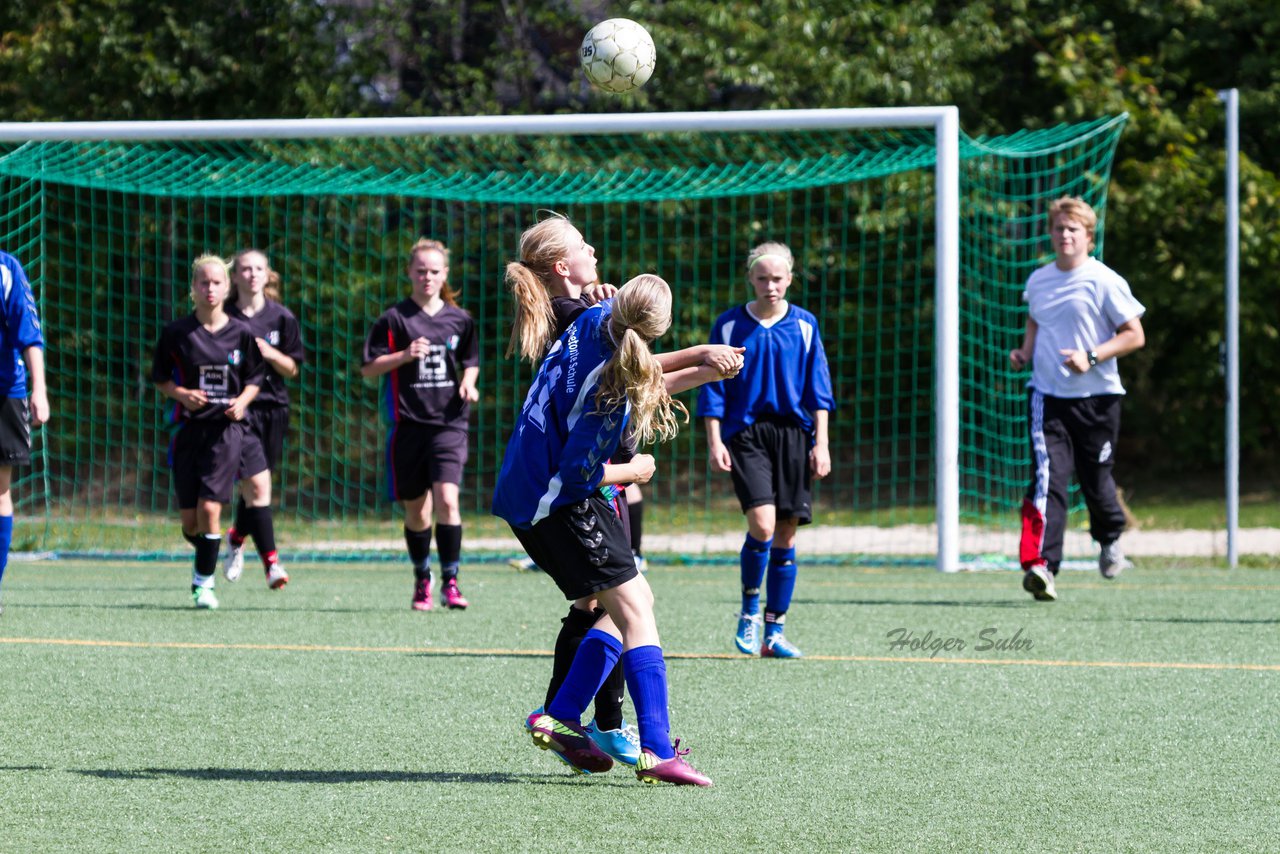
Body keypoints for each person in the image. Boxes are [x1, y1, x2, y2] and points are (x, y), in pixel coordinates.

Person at [503, 213, 742, 772]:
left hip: (538, 495)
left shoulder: (589, 323)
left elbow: (636, 373)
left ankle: (566, 716)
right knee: (631, 607)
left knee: (617, 607)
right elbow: (579, 470)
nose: (595, 254)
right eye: (584, 247)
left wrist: (705, 367)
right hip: (554, 500)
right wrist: (630, 473)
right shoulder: (595, 350)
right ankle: (653, 748)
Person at [698, 241, 835, 660]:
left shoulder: (806, 325)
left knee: (787, 532)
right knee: (763, 524)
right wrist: (715, 439)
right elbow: (713, 387)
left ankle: (775, 631)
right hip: (747, 436)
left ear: (790, 279)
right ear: (750, 279)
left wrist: (821, 444)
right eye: (762, 278)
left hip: (794, 435)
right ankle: (749, 611)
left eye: (777, 278)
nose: (770, 286)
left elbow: (819, 390)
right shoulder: (729, 326)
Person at [1008, 196, 1146, 601]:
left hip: (1098, 400)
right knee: (1047, 480)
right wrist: (1025, 353)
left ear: (1088, 235)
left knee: (1097, 484)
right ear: (1050, 234)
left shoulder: (1104, 280)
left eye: (1073, 229)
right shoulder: (1038, 281)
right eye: (1059, 229)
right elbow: (1036, 319)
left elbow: (1134, 335)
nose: (1065, 235)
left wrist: (1091, 356)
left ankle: (1109, 539)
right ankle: (1042, 567)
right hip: (1047, 398)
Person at [362, 238, 479, 611]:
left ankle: (452, 582)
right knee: (418, 512)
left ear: (444, 274)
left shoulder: (460, 319)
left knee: (447, 499)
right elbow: (368, 369)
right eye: (420, 271)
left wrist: (469, 381)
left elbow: (471, 359)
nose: (427, 277)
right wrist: (402, 355)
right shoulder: (394, 319)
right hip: (408, 427)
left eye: (434, 271)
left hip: (449, 424)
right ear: (410, 273)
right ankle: (421, 578)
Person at [151, 255, 267, 609]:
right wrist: (181, 394)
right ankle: (209, 549)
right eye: (204, 282)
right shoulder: (176, 333)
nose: (210, 288)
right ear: (193, 288)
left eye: (217, 282)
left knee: (210, 508)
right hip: (188, 433)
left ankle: (203, 585)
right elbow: (160, 377)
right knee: (191, 523)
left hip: (226, 432)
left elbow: (255, 378)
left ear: (227, 287)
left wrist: (244, 401)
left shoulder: (242, 333)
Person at [222, 250, 305, 590]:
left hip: (273, 409)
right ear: (235, 276)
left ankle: (237, 536)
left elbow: (293, 368)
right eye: (245, 268)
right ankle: (272, 563)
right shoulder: (222, 316)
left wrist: (269, 353)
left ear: (268, 274)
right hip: (238, 411)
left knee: (257, 488)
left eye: (259, 268)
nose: (252, 274)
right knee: (256, 486)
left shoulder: (282, 318)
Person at [0, 251, 50, 616]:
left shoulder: (6, 267)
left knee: (0, 490)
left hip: (5, 391)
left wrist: (40, 389)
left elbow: (29, 333)